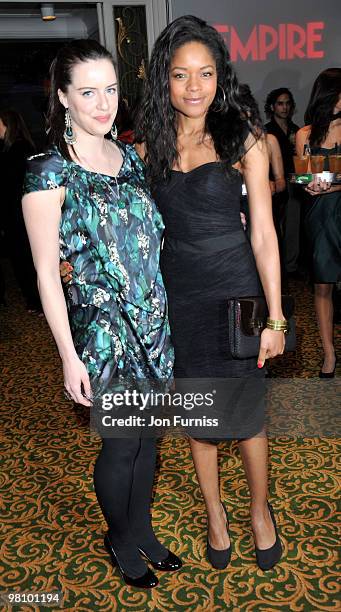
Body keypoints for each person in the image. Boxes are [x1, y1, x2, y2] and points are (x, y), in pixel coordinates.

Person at [22, 39, 181, 589]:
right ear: (63, 97)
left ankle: (141, 527)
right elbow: (46, 272)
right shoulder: (47, 171)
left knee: (150, 439)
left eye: (110, 89)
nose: (102, 103)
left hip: (154, 322)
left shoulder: (130, 158)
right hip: (104, 333)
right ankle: (119, 535)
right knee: (122, 445)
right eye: (87, 92)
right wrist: (69, 357)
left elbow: (146, 243)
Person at [136, 15, 286, 571]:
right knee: (199, 420)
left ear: (220, 77)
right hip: (183, 299)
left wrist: (275, 317)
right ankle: (215, 514)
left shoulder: (241, 136)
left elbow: (265, 235)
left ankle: (259, 513)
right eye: (180, 75)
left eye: (204, 73)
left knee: (246, 416)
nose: (194, 87)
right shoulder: (149, 147)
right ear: (164, 81)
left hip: (237, 293)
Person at [296, 68, 341, 378]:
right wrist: (307, 184)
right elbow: (301, 175)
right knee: (322, 285)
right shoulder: (304, 134)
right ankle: (328, 353)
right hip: (319, 215)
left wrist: (332, 184)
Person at [0, 109, 41, 312]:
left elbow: (13, 185)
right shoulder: (13, 148)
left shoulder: (18, 149)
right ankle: (34, 299)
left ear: (7, 125)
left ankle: (36, 300)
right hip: (17, 214)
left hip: (20, 214)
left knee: (25, 259)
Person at [265, 88, 302, 277]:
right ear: (272, 107)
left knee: (293, 226)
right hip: (272, 185)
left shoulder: (297, 131)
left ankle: (291, 266)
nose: (285, 107)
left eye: (287, 103)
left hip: (294, 184)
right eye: (280, 103)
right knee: (271, 227)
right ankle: (275, 267)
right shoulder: (266, 131)